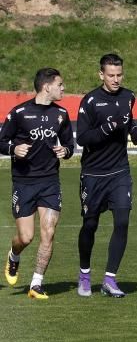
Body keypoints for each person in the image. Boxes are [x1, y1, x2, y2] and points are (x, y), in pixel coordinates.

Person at [1, 68, 75, 299]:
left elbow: (69, 145)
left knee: (49, 232)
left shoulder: (61, 114)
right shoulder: (20, 112)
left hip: (50, 182)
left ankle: (36, 283)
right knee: (26, 237)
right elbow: (1, 141)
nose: (63, 88)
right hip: (24, 183)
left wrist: (66, 150)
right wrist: (14, 149)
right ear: (46, 86)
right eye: (60, 84)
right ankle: (14, 255)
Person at [75, 53, 137, 298]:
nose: (116, 79)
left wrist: (134, 130)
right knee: (90, 224)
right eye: (111, 75)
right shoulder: (90, 101)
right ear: (101, 74)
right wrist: (108, 127)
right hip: (93, 174)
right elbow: (82, 138)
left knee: (122, 222)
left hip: (120, 172)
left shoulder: (129, 96)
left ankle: (110, 280)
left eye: (119, 74)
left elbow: (129, 121)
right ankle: (84, 274)